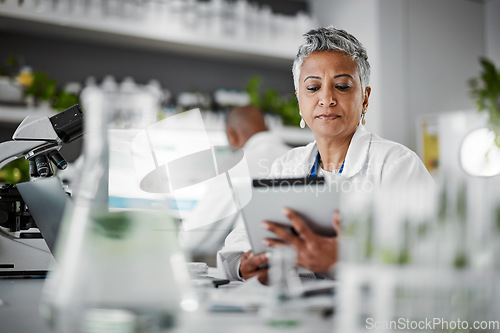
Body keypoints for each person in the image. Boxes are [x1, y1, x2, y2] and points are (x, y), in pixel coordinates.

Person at [217, 26, 434, 284]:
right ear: (299, 100)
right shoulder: (287, 166)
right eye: (313, 88)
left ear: (364, 99)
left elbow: (432, 256)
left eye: (342, 86)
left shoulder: (398, 166)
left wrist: (346, 259)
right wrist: (246, 264)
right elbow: (245, 238)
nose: (327, 98)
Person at [179, 105, 290, 264]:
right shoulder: (299, 158)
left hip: (253, 271)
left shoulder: (237, 167)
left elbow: (192, 240)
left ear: (231, 135)